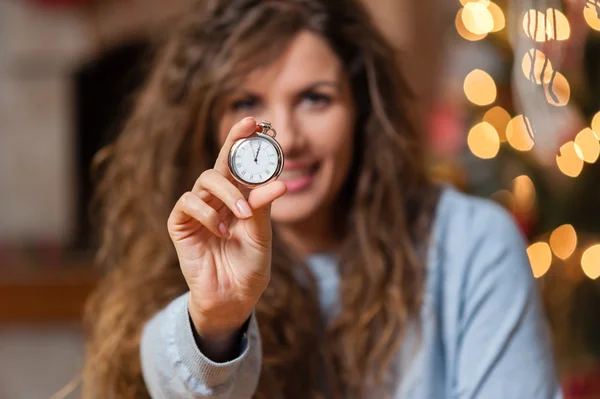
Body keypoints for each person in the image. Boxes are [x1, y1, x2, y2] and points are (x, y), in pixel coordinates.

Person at [81, 0, 564, 398]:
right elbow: (164, 377)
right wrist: (216, 321)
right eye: (246, 103)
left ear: (361, 110)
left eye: (315, 98)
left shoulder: (469, 241)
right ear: (202, 125)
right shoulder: (182, 250)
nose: (285, 139)